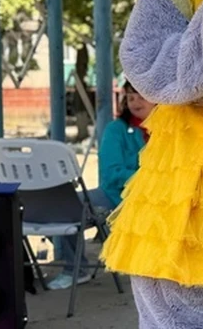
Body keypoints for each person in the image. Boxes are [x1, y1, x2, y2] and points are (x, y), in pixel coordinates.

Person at [46, 82, 154, 290]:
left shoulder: (170, 129)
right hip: (116, 196)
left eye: (141, 97)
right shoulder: (116, 129)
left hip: (162, 197)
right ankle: (75, 269)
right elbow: (112, 174)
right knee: (62, 207)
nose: (135, 103)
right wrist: (150, 179)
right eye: (130, 98)